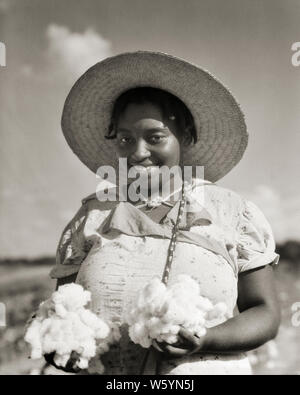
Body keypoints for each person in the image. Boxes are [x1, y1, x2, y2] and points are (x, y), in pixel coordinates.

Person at [48, 51, 280, 374]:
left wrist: (206, 339)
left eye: (155, 138)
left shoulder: (232, 213)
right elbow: (67, 313)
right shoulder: (91, 218)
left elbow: (265, 312)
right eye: (125, 139)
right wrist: (61, 345)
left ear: (184, 136)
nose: (138, 152)